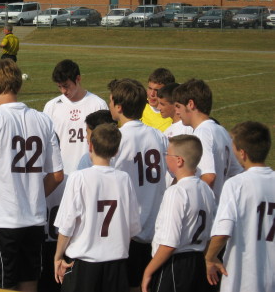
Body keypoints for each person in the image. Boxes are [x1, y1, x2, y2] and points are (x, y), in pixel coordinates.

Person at [0, 59, 64, 291]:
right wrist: (33, 195)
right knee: (29, 282)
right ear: (18, 84)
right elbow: (57, 175)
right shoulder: (42, 119)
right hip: (34, 221)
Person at [41, 59, 108, 291]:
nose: (64, 91)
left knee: (81, 232)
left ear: (78, 79)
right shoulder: (52, 106)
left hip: (87, 180)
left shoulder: (97, 104)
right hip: (58, 180)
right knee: (56, 233)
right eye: (60, 87)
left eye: (67, 85)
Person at [54, 123, 141, 292]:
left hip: (84, 263)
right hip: (116, 264)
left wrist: (58, 255)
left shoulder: (79, 177)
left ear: (91, 145)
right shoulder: (124, 179)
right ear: (116, 151)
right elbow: (132, 227)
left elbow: (67, 224)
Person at [108, 78, 168, 292]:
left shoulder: (118, 139)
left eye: (111, 101)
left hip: (128, 227)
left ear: (119, 106)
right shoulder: (158, 135)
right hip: (155, 222)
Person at [205, 121, 274, 292]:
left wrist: (210, 257)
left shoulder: (236, 184)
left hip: (243, 278)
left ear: (242, 153)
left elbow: (223, 231)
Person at [141, 135, 216, 292]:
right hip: (197, 261)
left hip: (175, 265)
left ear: (179, 160)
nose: (165, 158)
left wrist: (148, 272)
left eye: (167, 155)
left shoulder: (177, 192)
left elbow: (169, 243)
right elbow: (211, 233)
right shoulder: (206, 189)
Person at [173, 79, 242, 203]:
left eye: (178, 106)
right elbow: (237, 172)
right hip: (219, 208)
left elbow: (208, 176)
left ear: (190, 104)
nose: (176, 112)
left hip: (208, 214)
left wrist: (195, 205)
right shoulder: (222, 131)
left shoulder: (202, 133)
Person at [141, 68, 175, 132]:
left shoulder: (174, 115)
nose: (152, 94)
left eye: (157, 90)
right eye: (150, 88)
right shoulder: (139, 106)